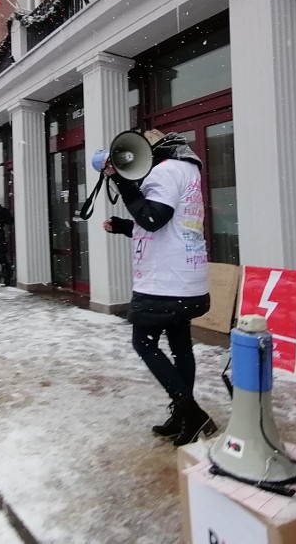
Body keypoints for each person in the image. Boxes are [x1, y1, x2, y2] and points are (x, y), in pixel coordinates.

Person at [103, 129, 215, 446]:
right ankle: (184, 416)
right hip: (187, 276)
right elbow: (168, 221)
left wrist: (123, 184)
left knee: (144, 342)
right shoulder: (187, 170)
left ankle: (191, 412)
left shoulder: (165, 171)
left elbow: (153, 219)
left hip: (165, 281)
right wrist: (126, 226)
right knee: (180, 348)